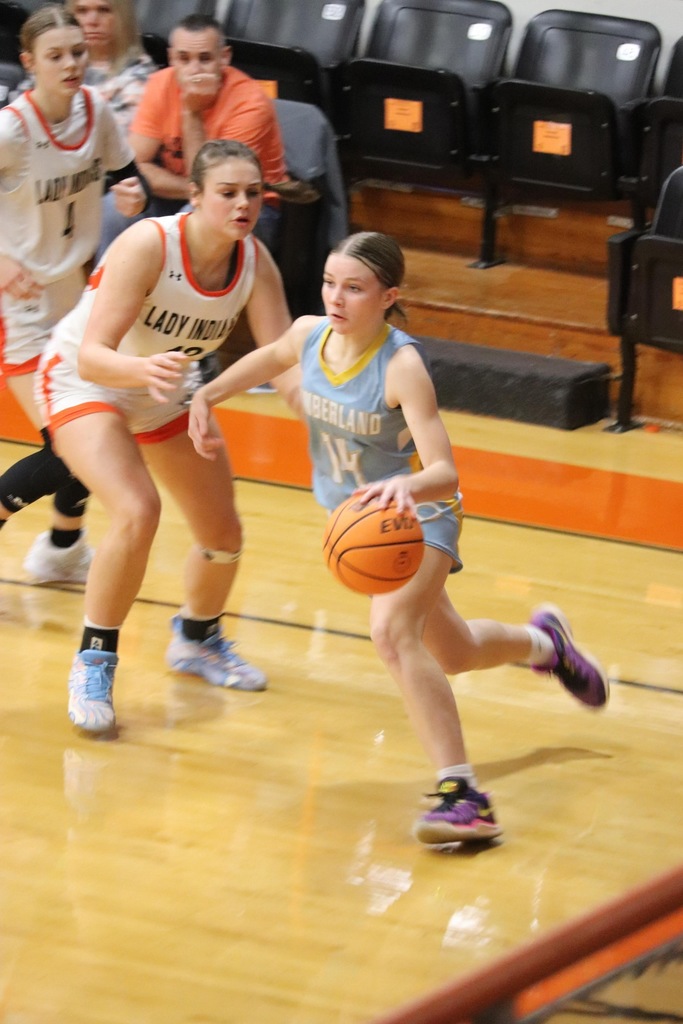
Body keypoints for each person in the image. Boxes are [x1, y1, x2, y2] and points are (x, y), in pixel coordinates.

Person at [187, 230, 610, 849]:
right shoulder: (309, 335)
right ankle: (546, 644)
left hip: (419, 517)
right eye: (330, 283)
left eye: (354, 288)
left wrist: (405, 487)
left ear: (388, 296)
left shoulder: (401, 366)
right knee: (455, 652)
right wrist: (207, 393)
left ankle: (464, 797)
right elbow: (271, 355)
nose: (336, 298)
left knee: (391, 632)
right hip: (362, 525)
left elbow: (445, 472)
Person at [37, 139, 298, 733]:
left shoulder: (255, 262)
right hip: (87, 381)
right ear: (195, 195)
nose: (243, 204)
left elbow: (284, 360)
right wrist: (142, 370)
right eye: (228, 192)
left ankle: (197, 640)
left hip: (162, 389)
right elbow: (94, 355)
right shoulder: (149, 244)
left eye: (253, 193)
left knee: (222, 533)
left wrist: (329, 422)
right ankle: (94, 660)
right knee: (138, 510)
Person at [0, 4, 149, 583]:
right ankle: (60, 546)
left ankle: (63, 548)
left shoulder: (96, 110)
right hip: (21, 308)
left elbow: (126, 176)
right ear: (29, 62)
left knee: (100, 426)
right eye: (55, 55)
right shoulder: (12, 129)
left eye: (77, 52)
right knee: (71, 445)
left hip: (77, 302)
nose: (70, 64)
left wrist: (131, 196)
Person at [97, 12, 288, 258]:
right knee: (114, 208)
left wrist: (191, 112)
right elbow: (135, 167)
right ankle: (108, 282)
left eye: (205, 59)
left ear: (224, 57)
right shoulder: (159, 84)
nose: (194, 70)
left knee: (194, 220)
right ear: (171, 58)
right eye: (184, 59)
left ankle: (170, 283)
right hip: (187, 195)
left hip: (248, 207)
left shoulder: (251, 103)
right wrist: (193, 189)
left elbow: (217, 182)